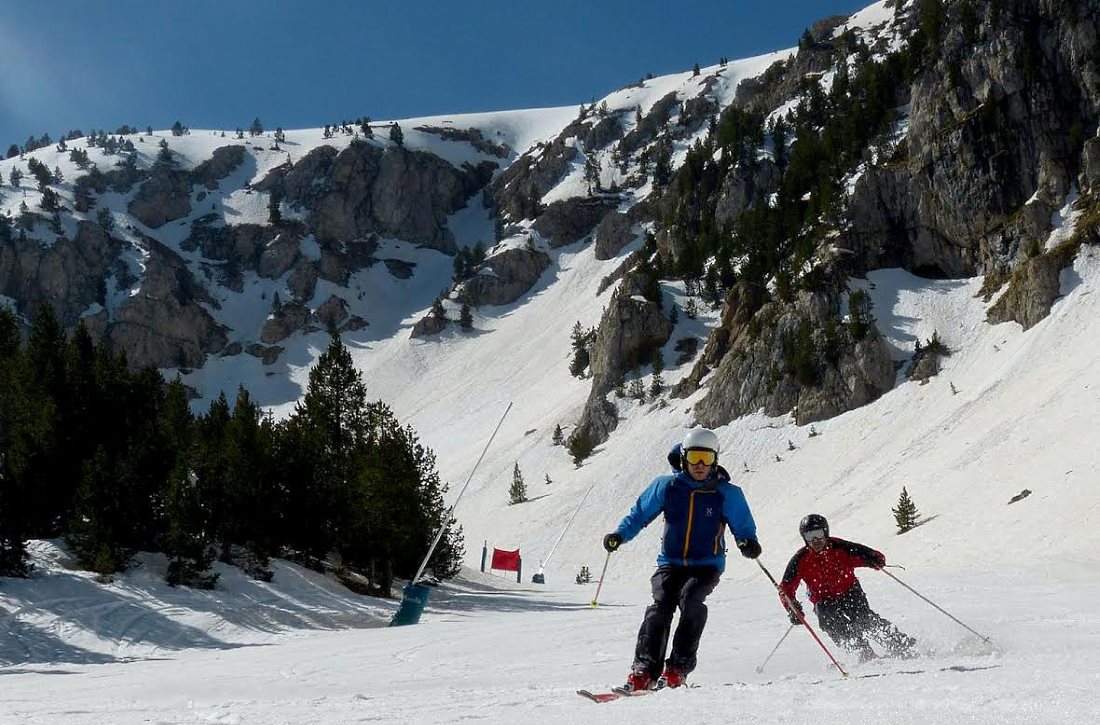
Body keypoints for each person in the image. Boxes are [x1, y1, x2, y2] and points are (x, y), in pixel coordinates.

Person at [602, 428, 760, 691]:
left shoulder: (726, 493)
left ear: (715, 460)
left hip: (707, 565)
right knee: (660, 607)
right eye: (695, 457)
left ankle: (677, 669)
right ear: (684, 458)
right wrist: (620, 534)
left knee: (691, 600)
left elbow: (743, 525)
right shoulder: (667, 487)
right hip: (671, 562)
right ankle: (644, 671)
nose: (700, 465)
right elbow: (640, 514)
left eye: (707, 458)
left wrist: (747, 542)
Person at [779, 514, 916, 662]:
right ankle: (863, 652)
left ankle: (899, 644)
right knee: (830, 623)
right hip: (824, 601)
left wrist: (874, 559)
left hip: (850, 592)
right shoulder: (800, 559)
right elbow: (785, 588)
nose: (815, 540)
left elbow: (868, 554)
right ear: (804, 538)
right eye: (810, 536)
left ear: (826, 532)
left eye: (818, 534)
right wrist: (792, 608)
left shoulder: (841, 547)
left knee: (864, 620)